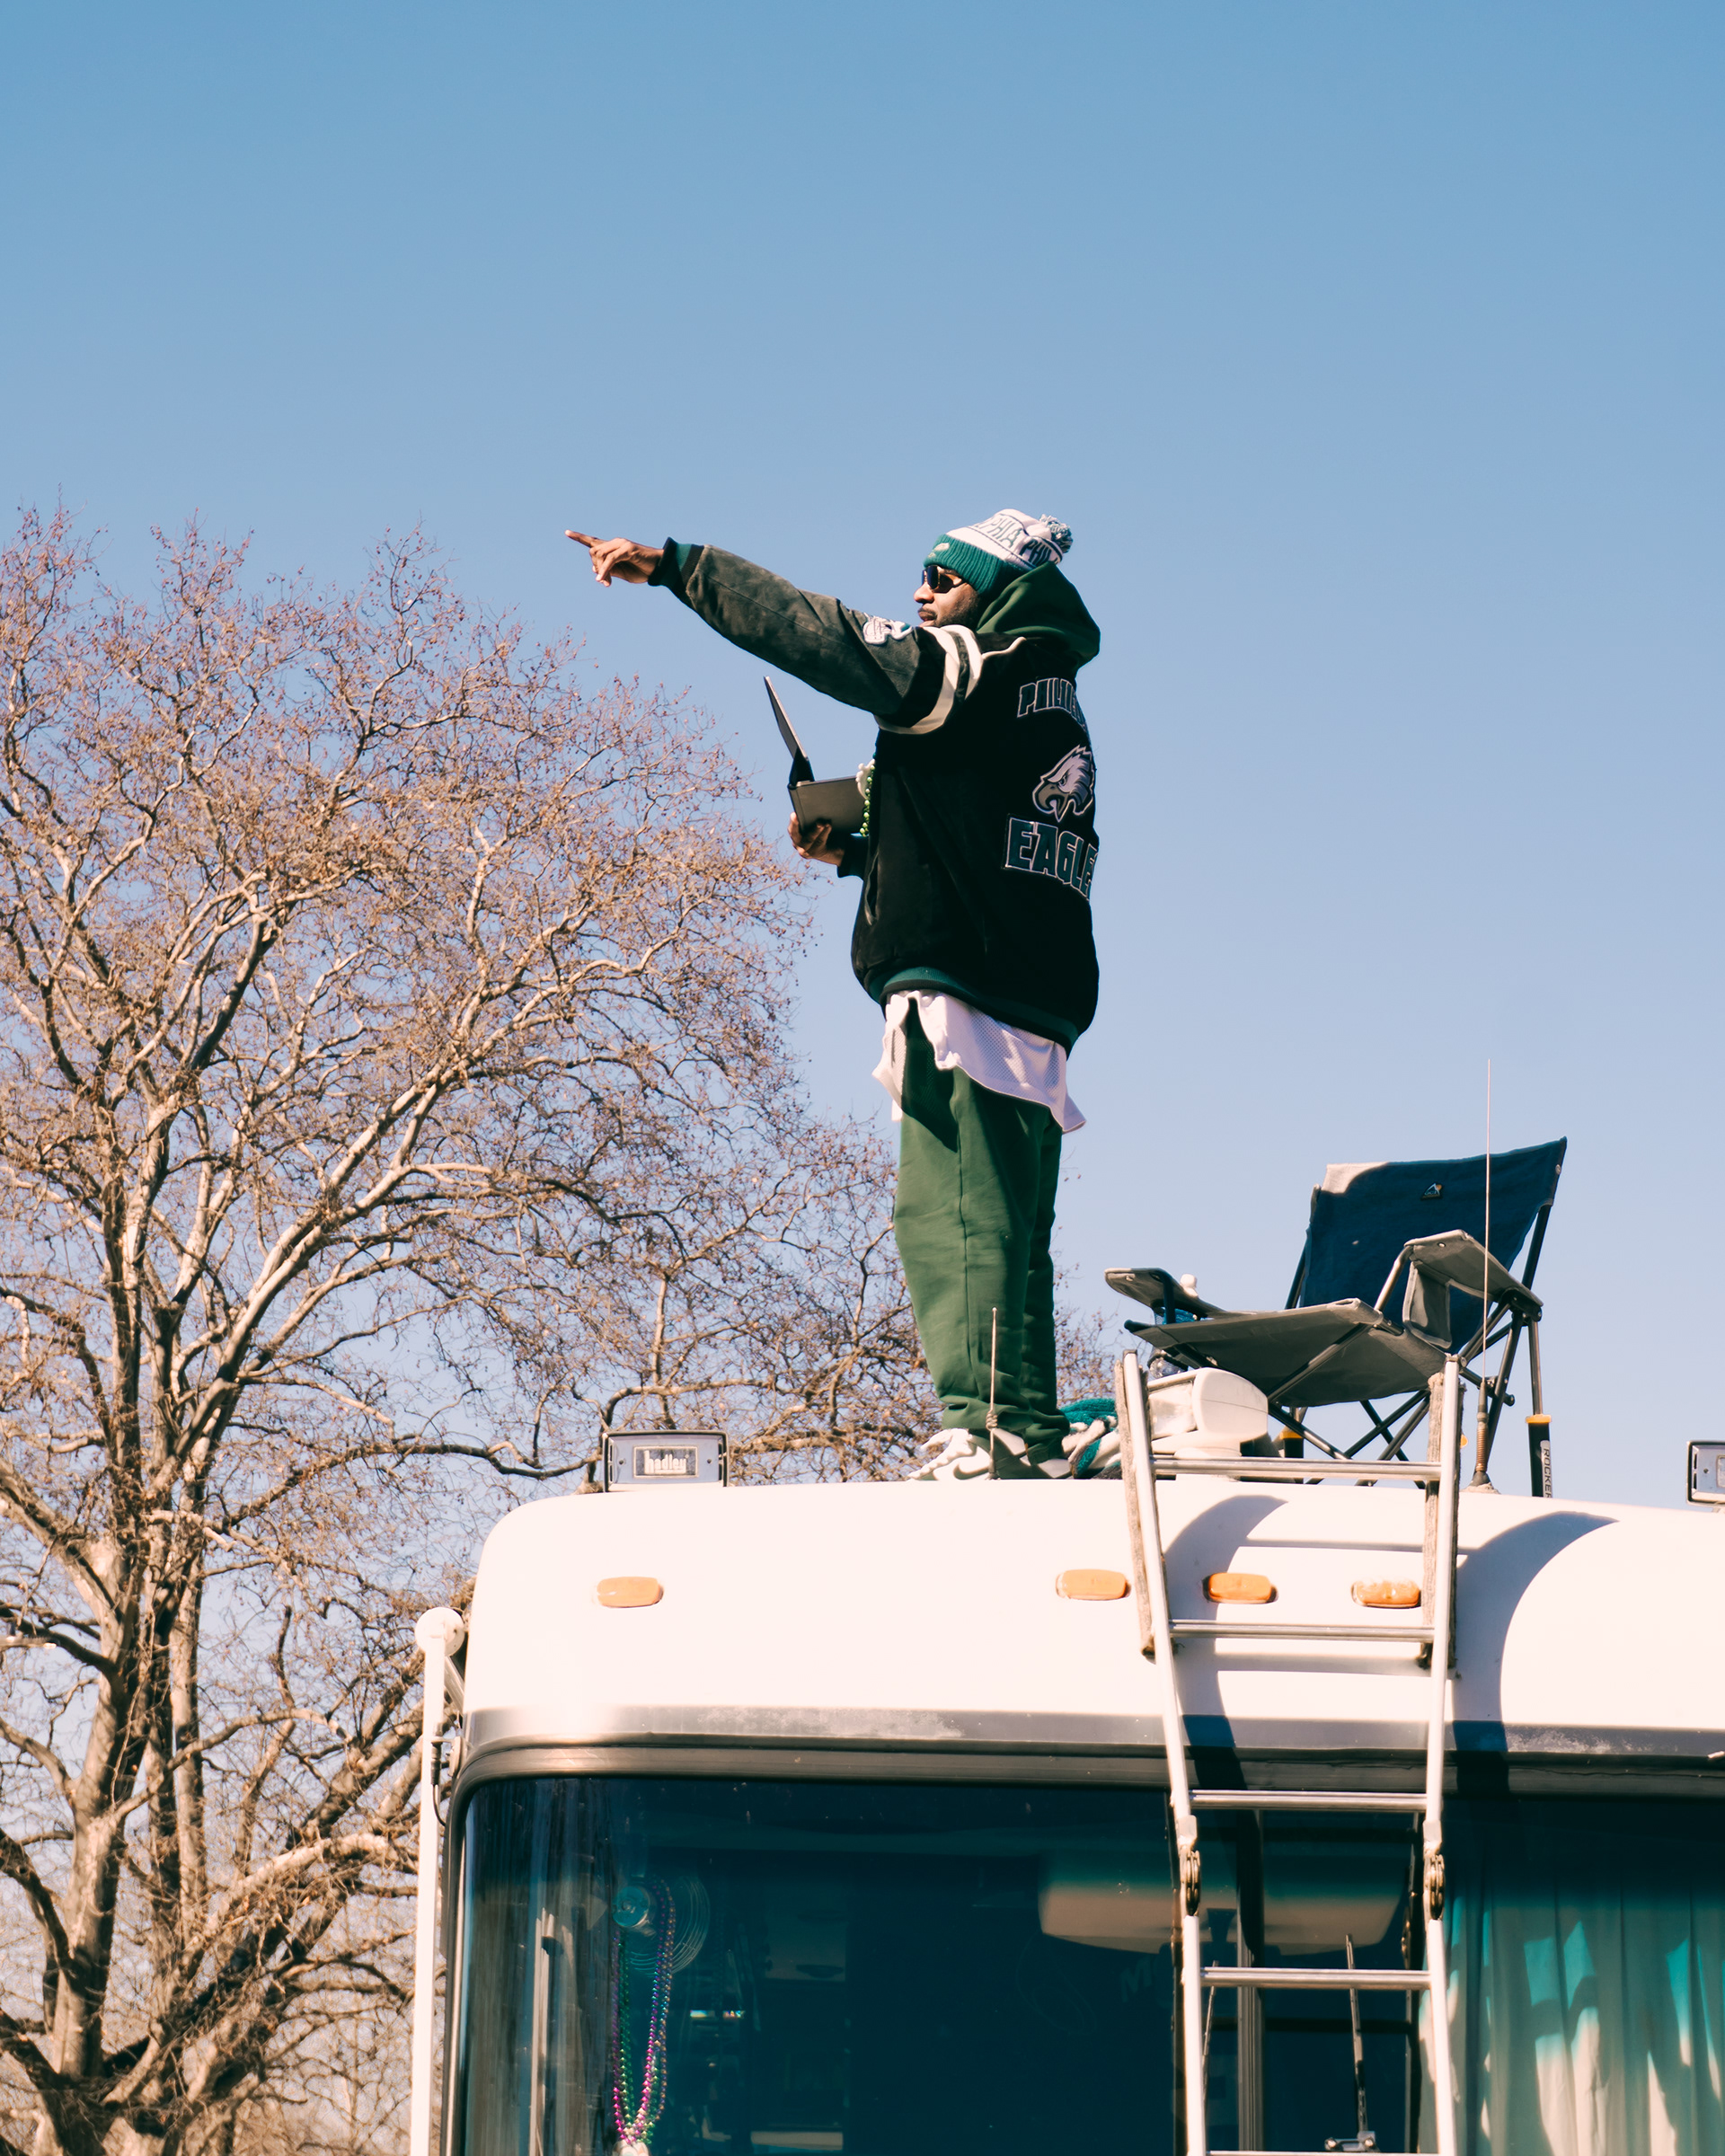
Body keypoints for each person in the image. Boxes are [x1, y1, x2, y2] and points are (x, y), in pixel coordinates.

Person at [566, 512, 1101, 1480]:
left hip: (971, 990)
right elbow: (975, 833)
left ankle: (985, 1432)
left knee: (951, 1212)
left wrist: (683, 570)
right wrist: (856, 848)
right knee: (1012, 1229)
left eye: (945, 576)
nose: (921, 592)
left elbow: (826, 637)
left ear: (997, 588)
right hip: (1035, 991)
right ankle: (1025, 1423)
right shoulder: (1045, 693)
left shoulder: (973, 666)